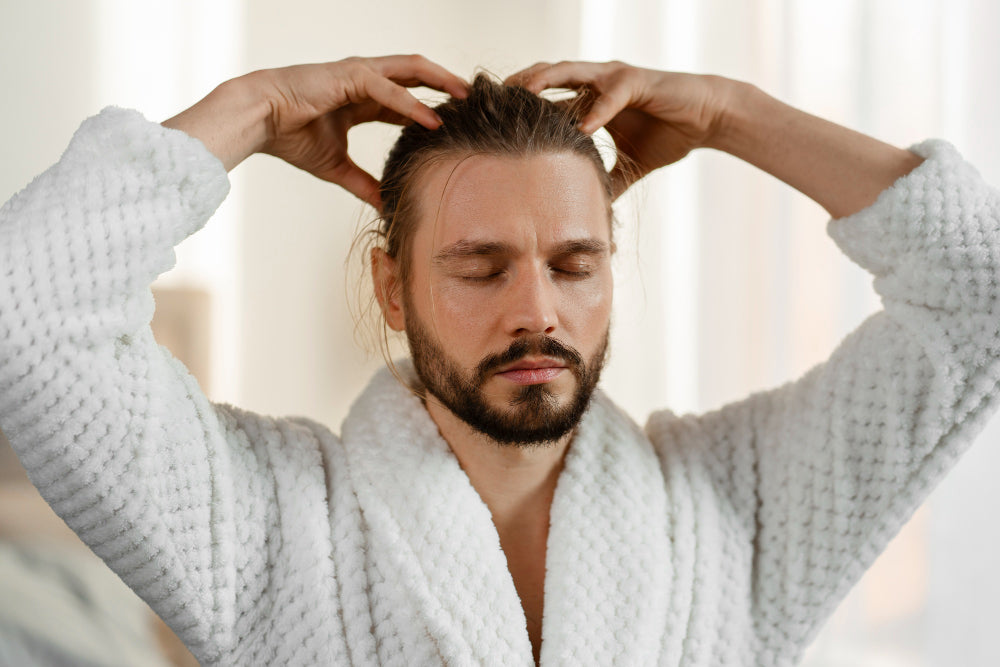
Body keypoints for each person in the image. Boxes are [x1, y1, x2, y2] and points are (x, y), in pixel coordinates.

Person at [1, 53, 998, 666]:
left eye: (574, 263)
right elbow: (30, 311)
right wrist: (254, 108)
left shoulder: (735, 509)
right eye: (479, 268)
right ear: (393, 289)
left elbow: (980, 293)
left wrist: (733, 112)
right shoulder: (268, 524)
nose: (537, 311)